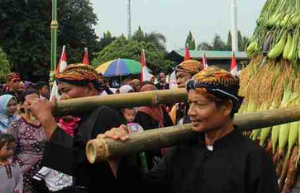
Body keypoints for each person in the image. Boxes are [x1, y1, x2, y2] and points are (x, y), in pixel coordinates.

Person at [101, 66, 279, 193]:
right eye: (190, 103)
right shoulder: (182, 150)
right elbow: (145, 187)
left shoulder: (253, 158)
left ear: (226, 107)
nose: (191, 112)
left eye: (199, 104)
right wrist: (118, 157)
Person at [28, 64, 138, 193]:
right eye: (60, 92)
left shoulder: (104, 114)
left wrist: (46, 118)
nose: (62, 97)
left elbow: (77, 163)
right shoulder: (87, 117)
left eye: (66, 90)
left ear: (90, 89)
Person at [7, 89, 45, 193]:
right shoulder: (16, 125)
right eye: (30, 101)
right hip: (25, 173)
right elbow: (9, 151)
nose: (34, 104)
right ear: (22, 105)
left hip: (46, 171)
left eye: (37, 100)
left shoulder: (47, 121)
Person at [169, 60, 203, 125]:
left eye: (181, 76)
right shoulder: (177, 107)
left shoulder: (207, 101)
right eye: (177, 78)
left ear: (195, 77)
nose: (178, 81)